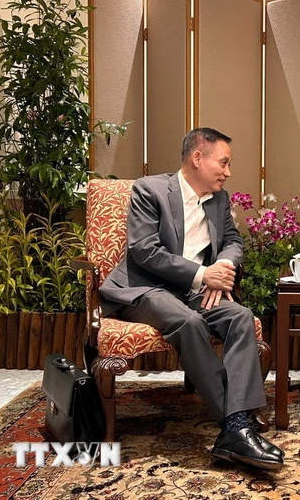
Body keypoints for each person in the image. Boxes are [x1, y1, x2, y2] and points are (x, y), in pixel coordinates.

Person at [99, 127, 284, 470]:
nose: (228, 172)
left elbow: (233, 241)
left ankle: (236, 431)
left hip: (195, 292)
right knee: (189, 321)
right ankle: (236, 425)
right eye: (224, 163)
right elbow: (144, 250)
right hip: (146, 288)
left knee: (240, 317)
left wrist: (222, 266)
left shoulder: (219, 199)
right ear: (198, 157)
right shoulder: (150, 190)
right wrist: (202, 274)